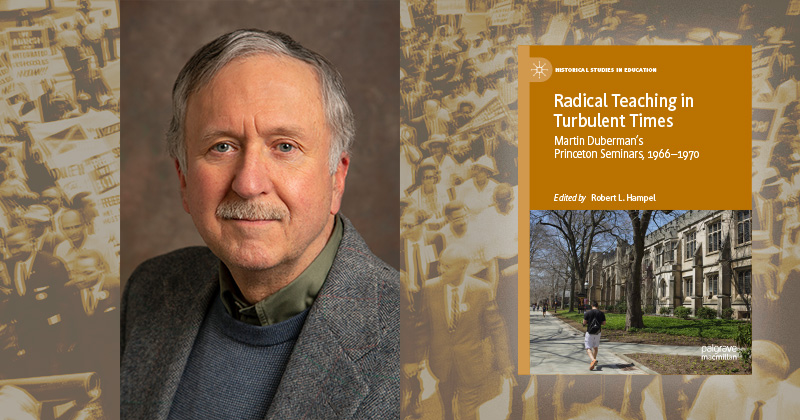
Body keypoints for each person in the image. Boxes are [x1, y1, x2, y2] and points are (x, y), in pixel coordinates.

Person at [120, 29, 399, 419]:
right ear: (184, 180)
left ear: (336, 178)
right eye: (222, 146)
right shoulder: (149, 292)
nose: (249, 184)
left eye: (284, 146)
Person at [583, 301, 606, 371]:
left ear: (591, 305)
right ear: (597, 306)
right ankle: (594, 361)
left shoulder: (587, 313)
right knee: (595, 347)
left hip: (589, 332)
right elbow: (604, 323)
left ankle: (593, 360)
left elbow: (584, 322)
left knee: (588, 347)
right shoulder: (601, 313)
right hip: (598, 332)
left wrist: (586, 323)